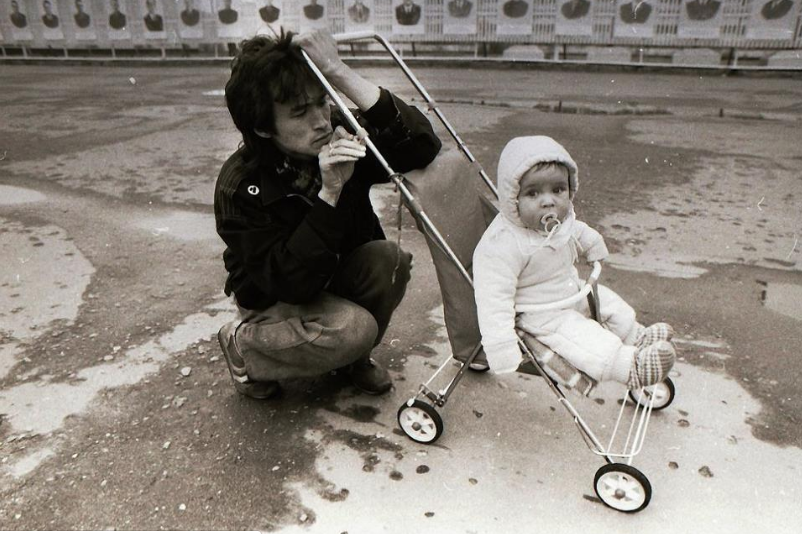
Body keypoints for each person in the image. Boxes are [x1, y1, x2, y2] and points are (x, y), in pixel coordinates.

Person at [214, 30, 442, 399]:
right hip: (276, 298)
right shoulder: (241, 186)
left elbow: (422, 147)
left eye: (322, 101)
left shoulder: (337, 132)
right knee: (352, 329)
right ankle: (246, 348)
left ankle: (353, 358)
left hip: (333, 273)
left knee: (390, 261)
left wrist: (336, 70)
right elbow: (290, 284)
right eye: (300, 113)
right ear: (261, 126)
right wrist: (329, 193)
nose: (321, 120)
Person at [473, 136, 675, 390]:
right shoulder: (503, 244)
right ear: (513, 198)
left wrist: (592, 243)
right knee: (581, 337)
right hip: (540, 314)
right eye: (533, 193)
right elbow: (494, 299)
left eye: (558, 190)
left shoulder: (556, 221)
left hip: (566, 292)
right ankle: (631, 368)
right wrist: (501, 347)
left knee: (608, 303)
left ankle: (637, 336)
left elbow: (574, 230)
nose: (549, 201)